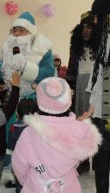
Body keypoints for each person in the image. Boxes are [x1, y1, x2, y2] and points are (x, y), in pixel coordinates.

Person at [11, 77, 102, 193]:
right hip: (69, 187)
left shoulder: (29, 132)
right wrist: (79, 124)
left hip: (36, 187)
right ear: (69, 102)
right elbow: (84, 150)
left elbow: (19, 164)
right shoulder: (80, 130)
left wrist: (26, 181)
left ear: (39, 102)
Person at [79, 0, 110, 192]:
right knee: (102, 157)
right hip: (103, 108)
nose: (95, 22)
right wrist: (92, 107)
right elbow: (100, 74)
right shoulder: (106, 38)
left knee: (103, 156)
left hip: (106, 109)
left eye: (97, 17)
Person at [0, 12, 54, 99]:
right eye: (14, 30)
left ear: (31, 32)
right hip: (12, 97)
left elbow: (48, 73)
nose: (17, 34)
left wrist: (26, 67)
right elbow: (2, 66)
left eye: (21, 30)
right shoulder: (9, 48)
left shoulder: (42, 49)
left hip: (34, 99)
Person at [65, 11, 99, 174]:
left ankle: (100, 162)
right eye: (83, 27)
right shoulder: (76, 46)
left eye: (89, 27)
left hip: (98, 87)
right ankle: (83, 161)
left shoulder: (102, 46)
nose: (86, 30)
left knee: (98, 124)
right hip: (80, 86)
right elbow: (71, 69)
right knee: (82, 123)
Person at [4, 98, 38, 192]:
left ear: (17, 114)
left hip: (20, 163)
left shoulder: (14, 127)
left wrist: (7, 163)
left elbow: (10, 147)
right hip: (36, 164)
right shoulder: (39, 128)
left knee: (20, 185)